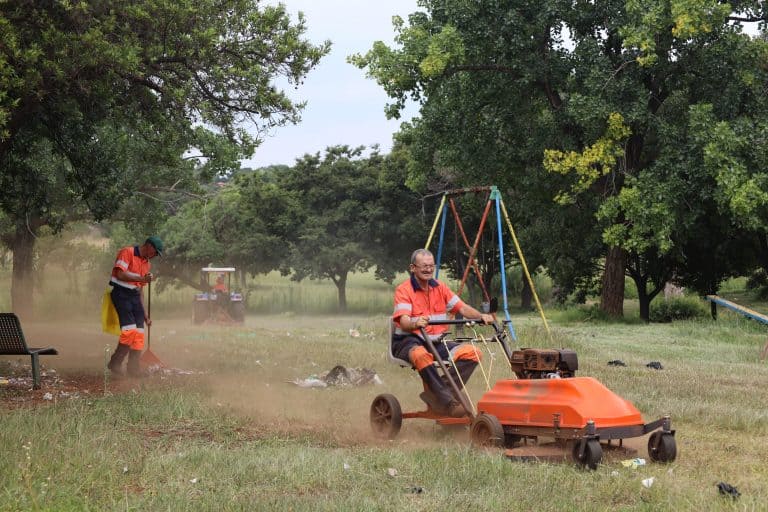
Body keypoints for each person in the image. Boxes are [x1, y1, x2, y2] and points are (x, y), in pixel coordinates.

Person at [392, 248, 494, 417]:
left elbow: (462, 307)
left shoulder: (440, 287)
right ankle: (447, 401)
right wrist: (415, 322)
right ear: (413, 268)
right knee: (421, 355)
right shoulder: (404, 290)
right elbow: (403, 321)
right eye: (423, 266)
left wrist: (481, 316)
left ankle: (438, 394)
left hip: (436, 342)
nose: (428, 269)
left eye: (431, 266)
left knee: (473, 353)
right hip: (408, 341)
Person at [106, 236, 163, 378]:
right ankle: (115, 363)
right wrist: (141, 279)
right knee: (129, 331)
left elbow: (141, 291)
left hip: (135, 297)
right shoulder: (127, 252)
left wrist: (145, 315)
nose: (155, 256)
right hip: (121, 294)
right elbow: (120, 274)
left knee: (138, 334)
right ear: (149, 246)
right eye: (155, 252)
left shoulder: (146, 264)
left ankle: (133, 368)